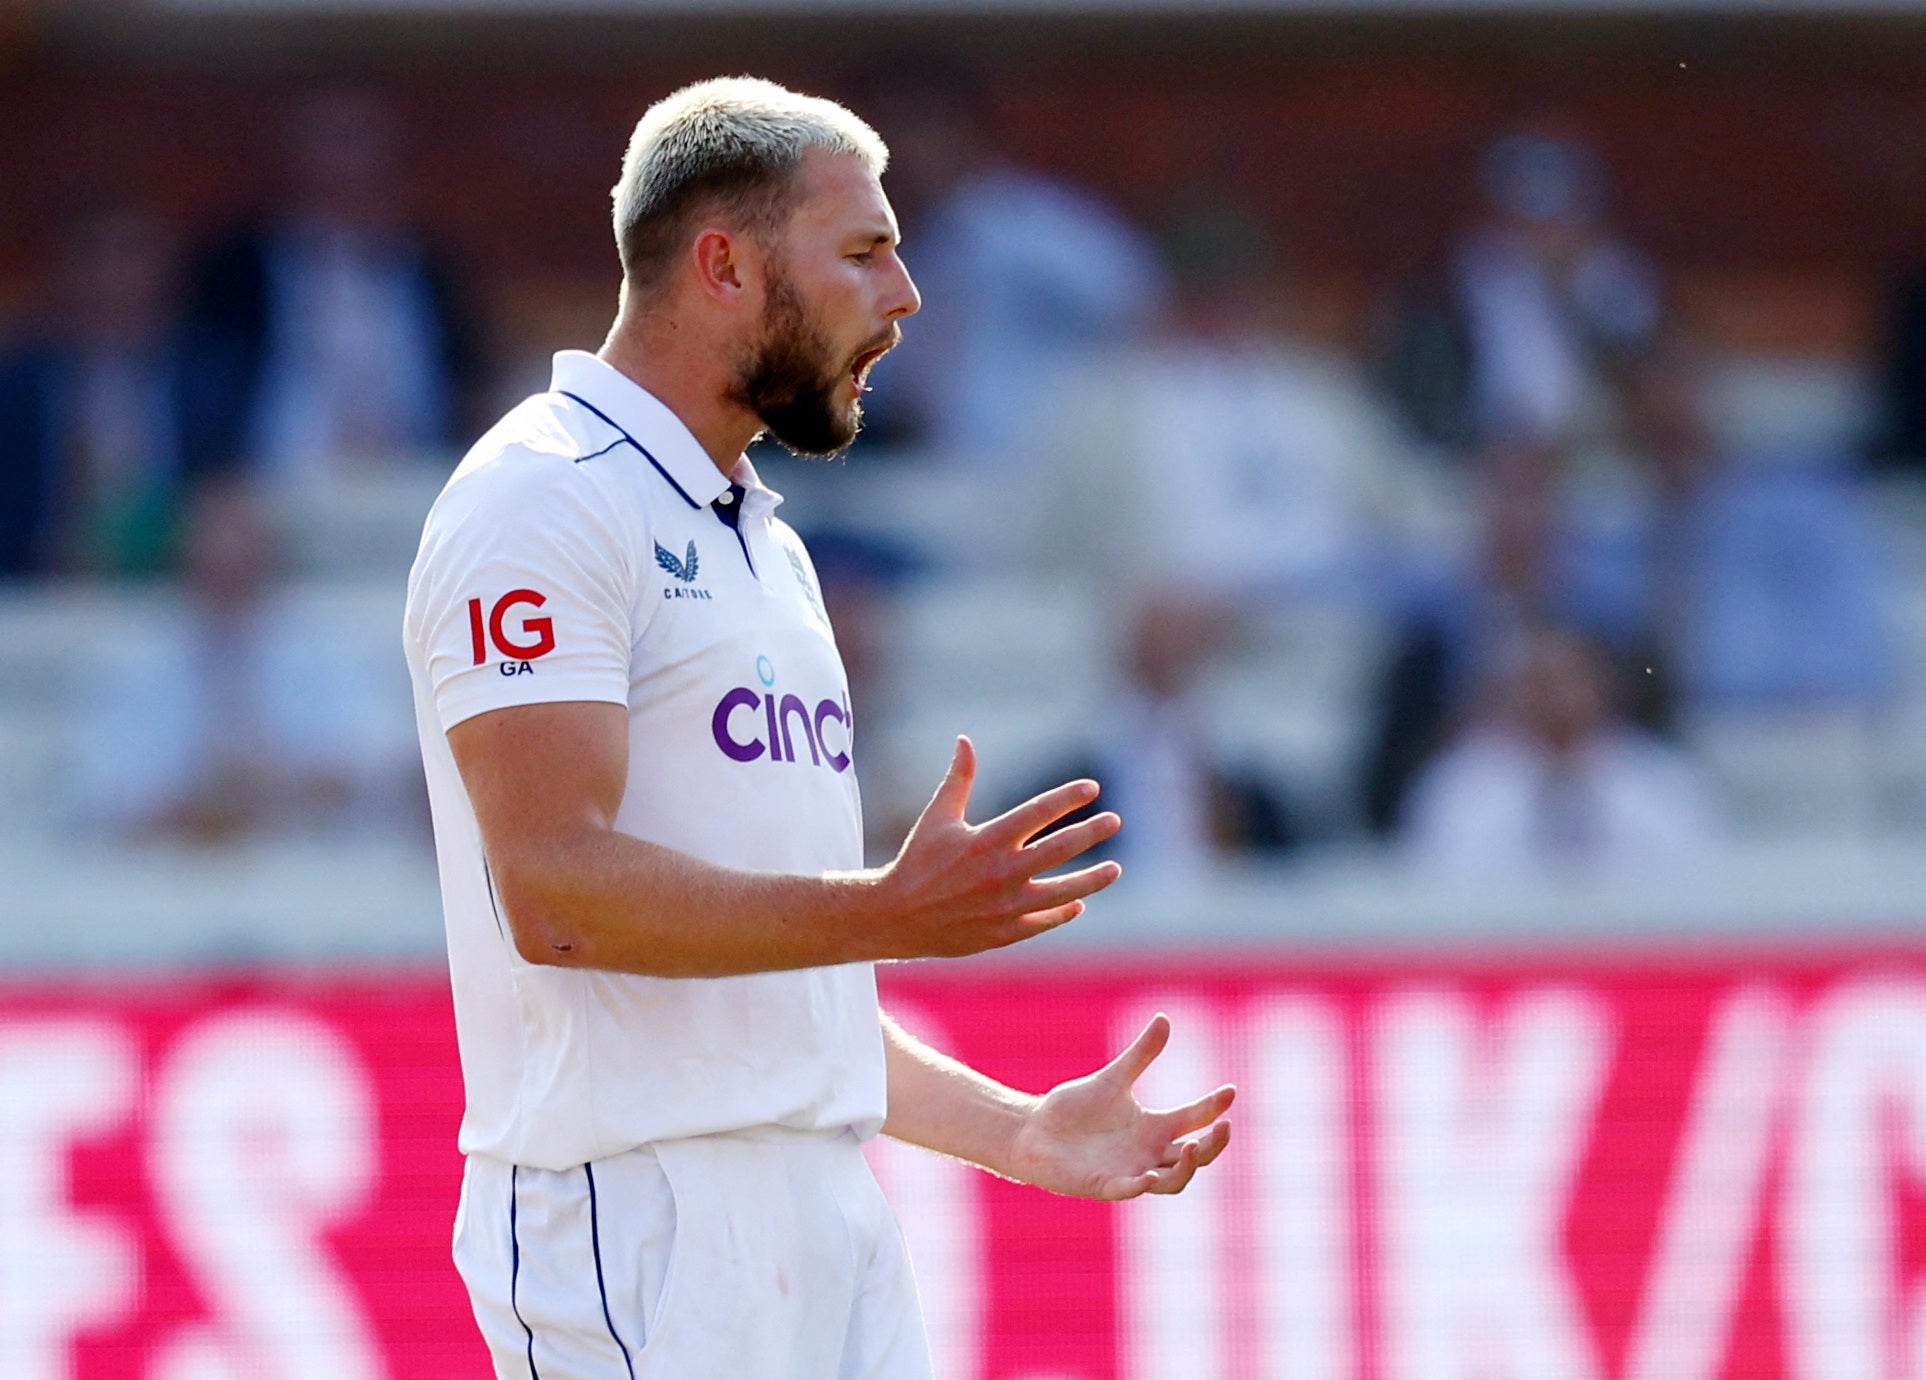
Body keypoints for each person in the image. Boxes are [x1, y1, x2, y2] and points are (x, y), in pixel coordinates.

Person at [402, 78, 1233, 1380]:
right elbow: (554, 893)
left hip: (823, 1208)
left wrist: (1014, 1133)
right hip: (639, 1217)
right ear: (722, 265)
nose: (904, 294)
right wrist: (886, 915)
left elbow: (782, 999)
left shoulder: (768, 548)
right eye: (861, 252)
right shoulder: (544, 499)